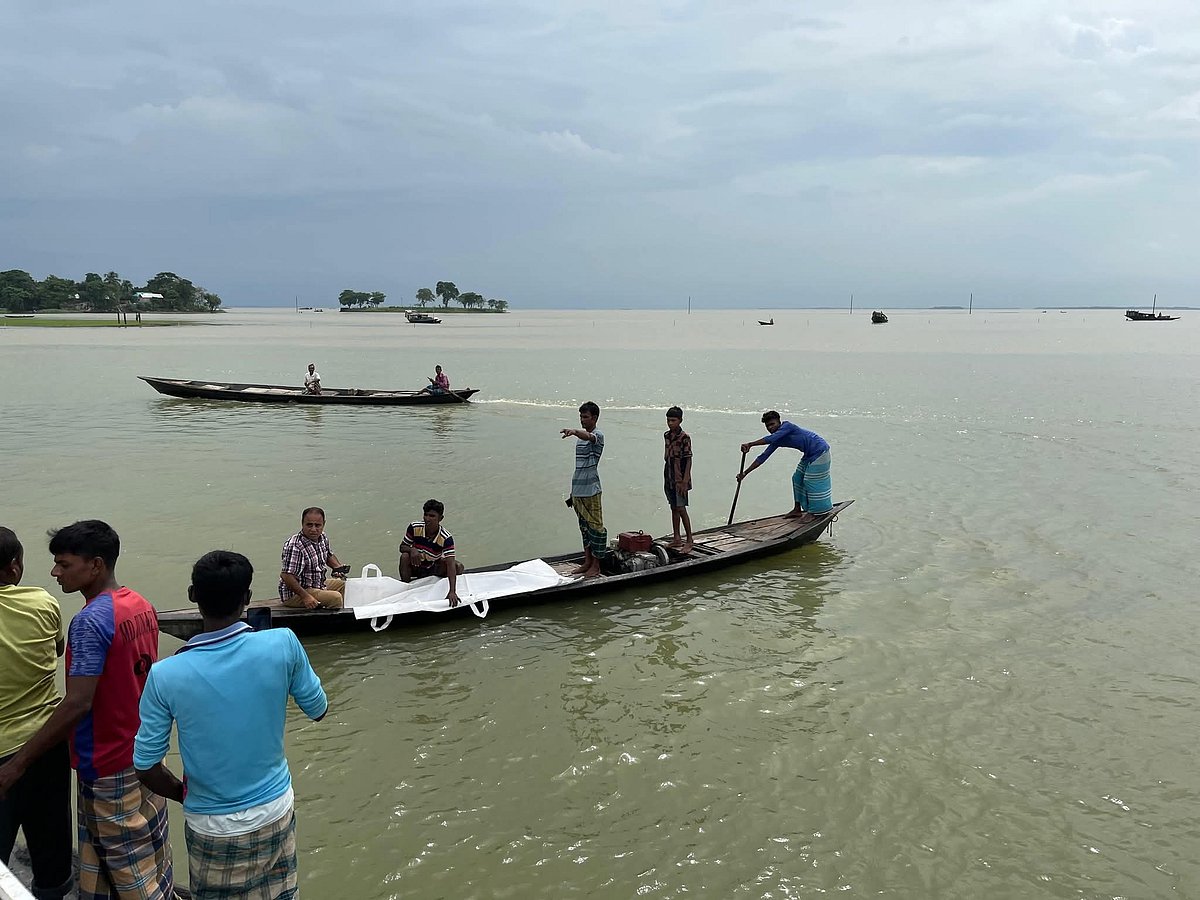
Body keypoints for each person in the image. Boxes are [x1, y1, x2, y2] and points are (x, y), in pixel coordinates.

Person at [135, 551, 328, 900]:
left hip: (212, 825)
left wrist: (184, 793)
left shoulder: (165, 675)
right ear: (248, 599)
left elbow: (146, 766)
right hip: (275, 809)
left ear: (193, 596)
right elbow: (318, 709)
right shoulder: (283, 642)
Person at [0, 520, 178, 899]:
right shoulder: (140, 606)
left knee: (130, 875)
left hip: (104, 761)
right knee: (135, 858)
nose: (54, 572)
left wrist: (18, 763)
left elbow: (78, 702)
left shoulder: (89, 622)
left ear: (95, 565)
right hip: (140, 752)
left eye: (64, 564)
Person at [0, 527, 74, 900]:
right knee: (51, 846)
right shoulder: (42, 603)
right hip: (45, 742)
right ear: (13, 569)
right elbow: (58, 649)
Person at [737, 411, 833, 522]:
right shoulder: (777, 439)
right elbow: (762, 457)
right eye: (767, 426)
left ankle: (815, 512)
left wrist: (750, 444)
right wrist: (744, 473)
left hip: (820, 450)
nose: (770, 428)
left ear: (779, 422)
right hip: (808, 454)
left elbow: (770, 439)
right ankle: (797, 509)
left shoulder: (788, 426)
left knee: (810, 480)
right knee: (797, 478)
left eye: (772, 424)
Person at [561, 401, 607, 578]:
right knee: (584, 529)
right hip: (578, 489)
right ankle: (587, 561)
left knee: (596, 529)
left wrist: (574, 432)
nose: (582, 420)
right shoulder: (580, 441)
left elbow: (589, 437)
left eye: (585, 417)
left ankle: (596, 565)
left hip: (592, 490)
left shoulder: (597, 435)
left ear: (594, 418)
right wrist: (573, 492)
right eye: (581, 416)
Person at [398, 500, 464, 607]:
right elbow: (402, 547)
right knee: (404, 556)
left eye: (432, 516)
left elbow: (450, 564)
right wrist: (412, 550)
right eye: (426, 515)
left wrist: (452, 591)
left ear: (440, 518)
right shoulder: (414, 527)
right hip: (417, 566)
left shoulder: (445, 537)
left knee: (458, 566)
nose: (427, 519)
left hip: (433, 566)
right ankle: (407, 587)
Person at [278, 508, 346, 610]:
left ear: (324, 524)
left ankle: (336, 612)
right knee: (335, 598)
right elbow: (286, 576)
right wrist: (306, 597)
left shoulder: (322, 537)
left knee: (343, 585)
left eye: (317, 525)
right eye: (309, 525)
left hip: (316, 584)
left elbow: (328, 555)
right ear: (302, 524)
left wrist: (337, 568)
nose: (313, 529)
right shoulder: (295, 546)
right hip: (296, 593)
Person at [663, 406, 694, 553]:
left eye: (673, 420)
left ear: (680, 420)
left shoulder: (684, 437)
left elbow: (688, 460)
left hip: (680, 477)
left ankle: (689, 540)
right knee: (673, 507)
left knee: (681, 508)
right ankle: (676, 538)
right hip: (668, 475)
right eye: (668, 420)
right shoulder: (667, 436)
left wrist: (684, 480)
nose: (670, 423)